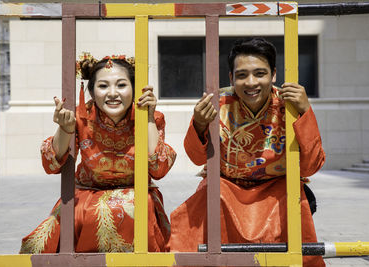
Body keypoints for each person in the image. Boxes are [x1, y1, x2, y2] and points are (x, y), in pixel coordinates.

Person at [169, 38, 325, 266]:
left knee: (294, 198)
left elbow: (312, 165)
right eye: (242, 75)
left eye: (259, 74)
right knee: (206, 200)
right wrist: (199, 125)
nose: (251, 83)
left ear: (273, 75)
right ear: (231, 78)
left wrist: (304, 111)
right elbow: (196, 158)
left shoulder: (289, 106)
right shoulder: (217, 105)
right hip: (226, 186)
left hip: (277, 187)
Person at [20, 53, 176, 253]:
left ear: (134, 89)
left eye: (121, 85)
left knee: (136, 206)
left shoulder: (151, 117)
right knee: (41, 244)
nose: (113, 93)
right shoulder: (80, 116)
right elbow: (51, 164)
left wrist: (149, 118)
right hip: (86, 196)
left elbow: (159, 168)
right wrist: (65, 129)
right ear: (92, 91)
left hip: (136, 195)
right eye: (103, 86)